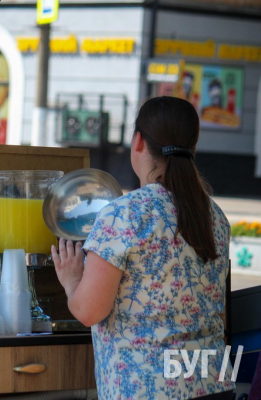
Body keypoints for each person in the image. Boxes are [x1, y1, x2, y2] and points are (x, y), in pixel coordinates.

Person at [52, 96, 234, 399]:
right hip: (214, 382)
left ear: (138, 142)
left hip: (149, 388)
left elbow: (88, 311)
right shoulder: (215, 217)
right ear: (194, 147)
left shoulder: (123, 214)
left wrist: (72, 281)